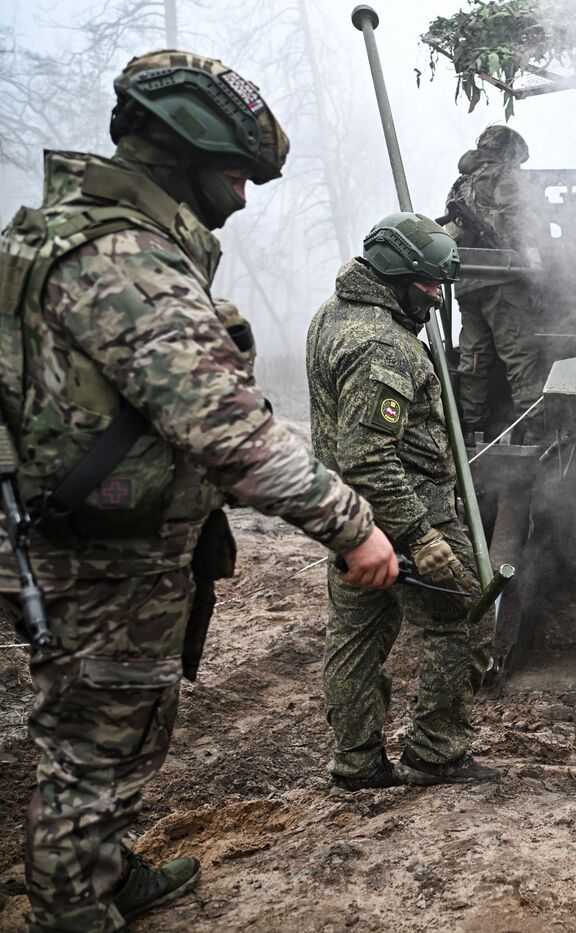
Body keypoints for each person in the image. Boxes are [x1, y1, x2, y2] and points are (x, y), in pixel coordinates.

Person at [0, 51, 397, 932]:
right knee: (91, 745)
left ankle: (104, 870)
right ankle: (72, 910)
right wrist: (353, 525)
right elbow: (232, 434)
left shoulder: (58, 232)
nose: (245, 197)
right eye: (233, 174)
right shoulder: (126, 258)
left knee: (121, 724)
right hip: (100, 554)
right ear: (180, 156)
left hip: (89, 537)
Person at [306, 212, 498, 790]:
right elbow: (370, 457)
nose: (437, 299)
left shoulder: (334, 315)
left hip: (345, 515)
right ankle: (435, 753)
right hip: (407, 509)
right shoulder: (383, 345)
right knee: (463, 616)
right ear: (394, 276)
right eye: (427, 286)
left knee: (357, 636)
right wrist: (423, 536)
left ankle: (358, 763)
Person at [443, 125, 543, 438]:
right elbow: (520, 222)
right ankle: (531, 427)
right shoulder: (506, 177)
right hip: (502, 280)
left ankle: (472, 426)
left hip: (468, 283)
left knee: (473, 359)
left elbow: (450, 234)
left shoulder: (461, 184)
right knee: (519, 354)